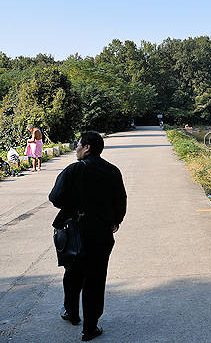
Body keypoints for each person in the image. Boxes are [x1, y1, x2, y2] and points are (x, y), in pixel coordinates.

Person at [49, 131, 127, 341]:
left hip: (74, 232)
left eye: (79, 145)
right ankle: (90, 328)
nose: (76, 148)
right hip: (101, 233)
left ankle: (72, 313)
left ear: (87, 147)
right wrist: (115, 220)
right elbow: (121, 202)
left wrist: (74, 203)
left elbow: (55, 197)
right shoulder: (112, 171)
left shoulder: (73, 170)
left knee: (73, 274)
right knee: (95, 278)